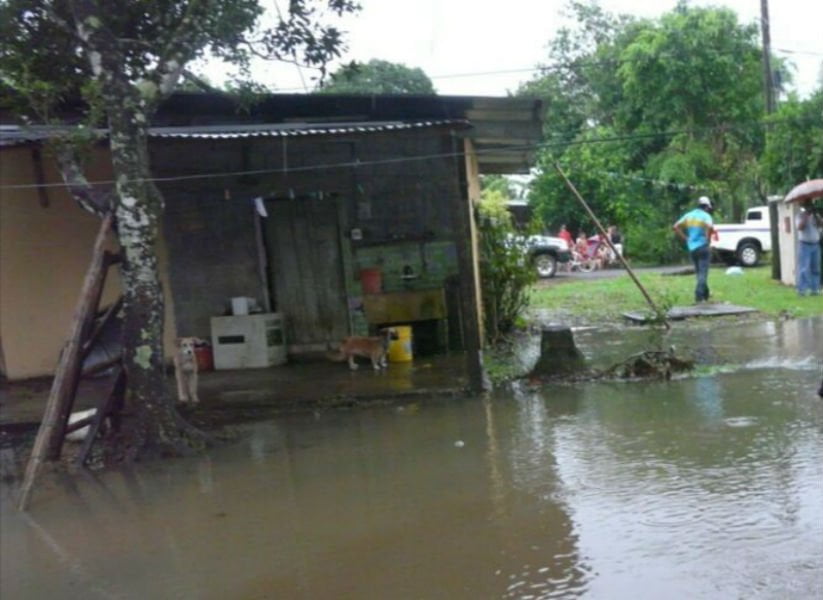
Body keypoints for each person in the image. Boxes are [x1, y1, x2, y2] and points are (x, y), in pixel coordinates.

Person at [673, 196, 718, 303]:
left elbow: (675, 227)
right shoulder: (706, 216)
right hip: (703, 246)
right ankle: (698, 296)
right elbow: (710, 227)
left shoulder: (689, 215)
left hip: (692, 248)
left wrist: (686, 238)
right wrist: (708, 239)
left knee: (699, 272)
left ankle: (706, 295)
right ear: (706, 207)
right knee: (703, 273)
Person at [795, 199, 821, 296]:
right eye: (808, 205)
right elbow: (800, 227)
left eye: (811, 205)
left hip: (815, 244)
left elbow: (821, 225)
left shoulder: (816, 216)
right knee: (804, 268)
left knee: (816, 268)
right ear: (804, 206)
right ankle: (802, 290)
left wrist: (816, 216)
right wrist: (806, 216)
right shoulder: (800, 215)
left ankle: (815, 289)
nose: (810, 207)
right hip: (804, 244)